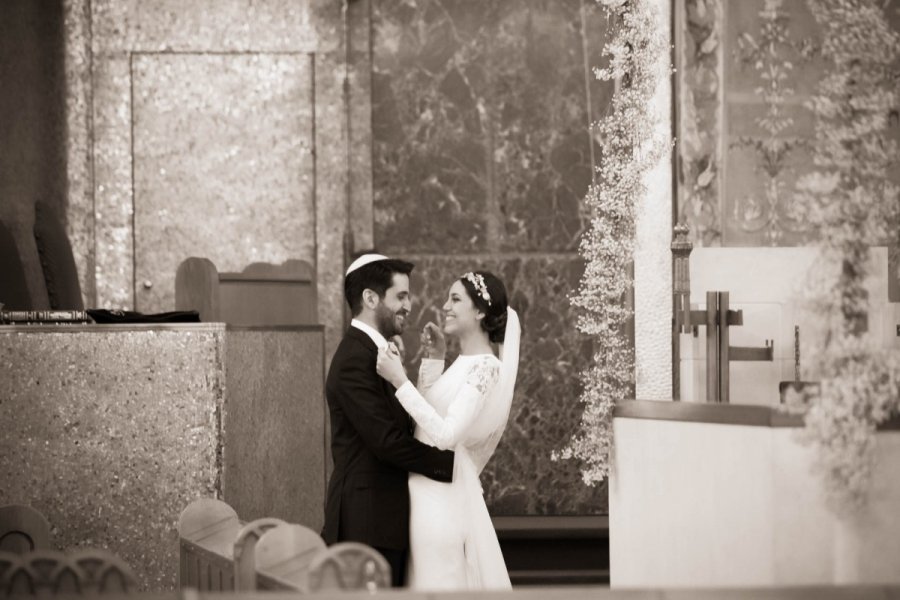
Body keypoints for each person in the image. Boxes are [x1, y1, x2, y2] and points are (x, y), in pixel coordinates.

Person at [376, 270, 520, 590]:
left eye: (455, 299)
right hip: (423, 493)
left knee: (440, 583)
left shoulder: (486, 367)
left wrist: (399, 379)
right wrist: (435, 358)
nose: (445, 305)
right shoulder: (465, 362)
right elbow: (426, 414)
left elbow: (445, 435)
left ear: (480, 310)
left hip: (442, 497)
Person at [321, 253, 455, 587]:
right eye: (401, 296)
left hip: (383, 522)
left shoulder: (375, 353)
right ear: (370, 298)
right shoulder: (354, 358)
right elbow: (386, 442)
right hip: (366, 525)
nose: (409, 305)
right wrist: (450, 465)